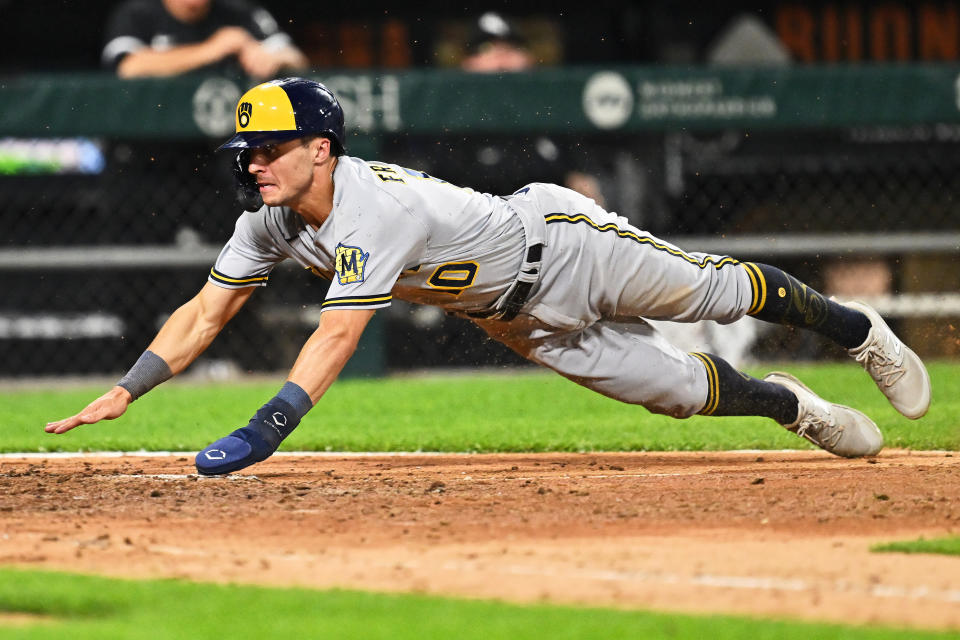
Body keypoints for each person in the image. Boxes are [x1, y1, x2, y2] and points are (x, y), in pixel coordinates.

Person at [45, 78, 932, 475]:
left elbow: (341, 333)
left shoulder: (369, 208)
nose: (255, 165)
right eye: (249, 152)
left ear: (321, 148)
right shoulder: (268, 219)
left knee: (718, 289)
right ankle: (794, 407)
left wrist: (268, 426)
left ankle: (862, 335)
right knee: (674, 392)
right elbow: (205, 311)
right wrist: (132, 387)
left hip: (564, 244)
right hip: (516, 319)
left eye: (271, 150)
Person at [101, 0, 308, 79]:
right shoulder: (137, 13)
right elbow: (128, 67)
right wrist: (211, 49)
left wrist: (271, 58)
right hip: (152, 143)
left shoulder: (238, 13)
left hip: (226, 140)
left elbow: (296, 59)